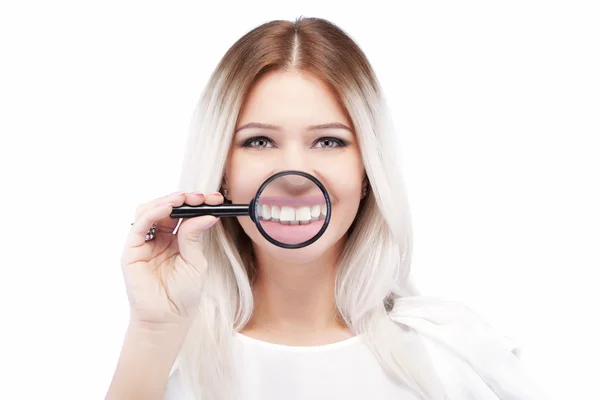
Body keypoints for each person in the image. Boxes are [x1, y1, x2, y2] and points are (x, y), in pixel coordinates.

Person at [106, 17, 546, 400]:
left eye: (329, 141)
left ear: (367, 171)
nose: (295, 173)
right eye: (259, 141)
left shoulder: (456, 355)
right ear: (222, 171)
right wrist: (153, 332)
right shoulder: (168, 364)